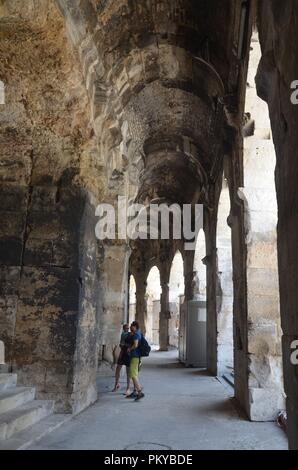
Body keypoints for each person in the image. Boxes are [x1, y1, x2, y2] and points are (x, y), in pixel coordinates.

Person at [126, 321, 144, 401]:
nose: (130, 327)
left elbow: (136, 345)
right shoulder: (138, 333)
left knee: (133, 374)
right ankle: (136, 391)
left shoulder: (136, 334)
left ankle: (139, 392)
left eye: (131, 326)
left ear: (135, 326)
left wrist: (130, 349)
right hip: (138, 356)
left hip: (135, 356)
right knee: (135, 374)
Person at [112, 324, 131, 394]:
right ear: (123, 329)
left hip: (128, 354)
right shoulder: (122, 334)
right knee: (118, 369)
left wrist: (125, 345)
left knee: (128, 372)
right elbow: (121, 344)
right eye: (126, 328)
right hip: (123, 353)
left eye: (128, 328)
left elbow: (132, 345)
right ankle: (116, 384)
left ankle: (128, 388)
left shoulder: (130, 335)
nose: (127, 329)